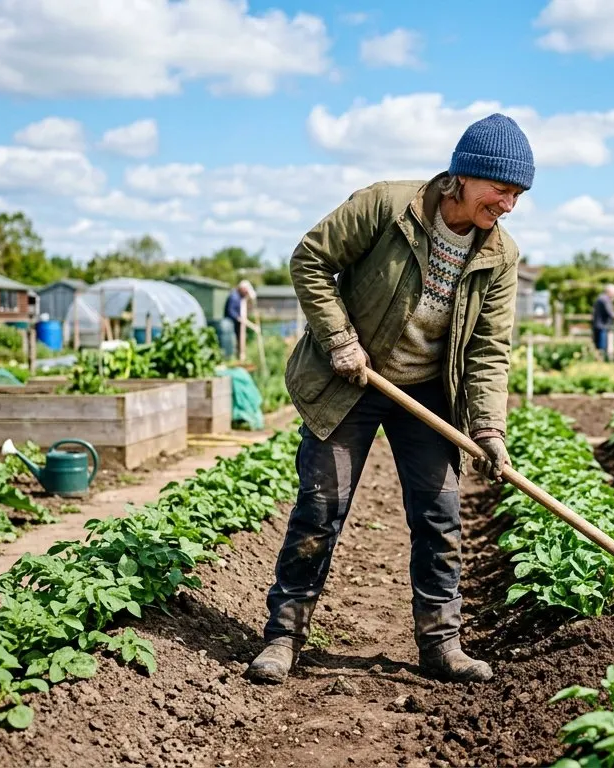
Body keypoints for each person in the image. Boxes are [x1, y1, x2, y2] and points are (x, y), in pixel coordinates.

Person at [246, 113, 533, 686]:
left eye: (518, 195)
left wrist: (490, 431)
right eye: (501, 190)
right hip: (353, 377)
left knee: (439, 515)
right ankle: (284, 635)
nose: (508, 205)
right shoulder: (385, 207)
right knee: (321, 508)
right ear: (465, 176)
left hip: (427, 393)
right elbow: (310, 259)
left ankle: (441, 643)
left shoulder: (501, 256)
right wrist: (339, 340)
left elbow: (490, 349)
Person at [591, 283, 614, 360]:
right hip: (602, 325)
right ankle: (601, 360)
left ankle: (600, 360)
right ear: (610, 292)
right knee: (601, 345)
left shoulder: (601, 298)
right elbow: (610, 312)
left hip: (599, 324)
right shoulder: (604, 299)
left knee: (600, 344)